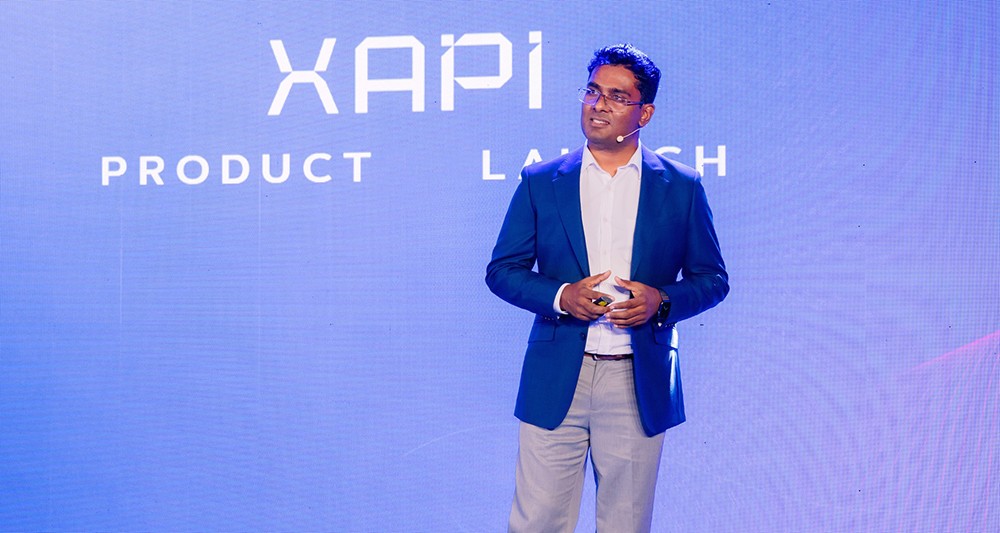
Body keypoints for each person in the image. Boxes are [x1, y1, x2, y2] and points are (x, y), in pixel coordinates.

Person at [486, 43, 729, 532]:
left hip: (638, 379)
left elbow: (712, 279)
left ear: (645, 113)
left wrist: (661, 301)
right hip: (558, 375)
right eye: (593, 91)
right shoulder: (541, 181)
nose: (599, 104)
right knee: (536, 523)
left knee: (626, 524)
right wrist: (562, 297)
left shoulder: (681, 186)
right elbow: (503, 270)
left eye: (617, 96)